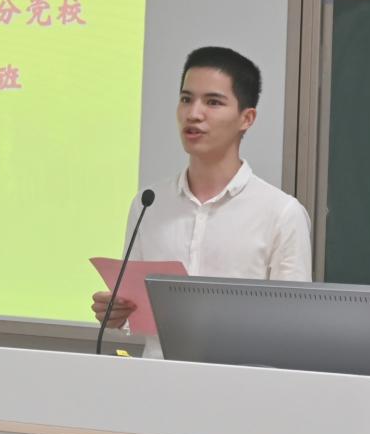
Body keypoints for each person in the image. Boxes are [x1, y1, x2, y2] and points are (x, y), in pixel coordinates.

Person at [92, 46, 312, 339]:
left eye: (213, 102)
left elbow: (294, 326)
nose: (194, 114)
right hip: (158, 367)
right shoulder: (149, 204)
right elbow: (135, 314)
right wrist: (119, 314)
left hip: (241, 369)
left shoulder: (281, 213)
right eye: (186, 99)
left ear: (246, 118)